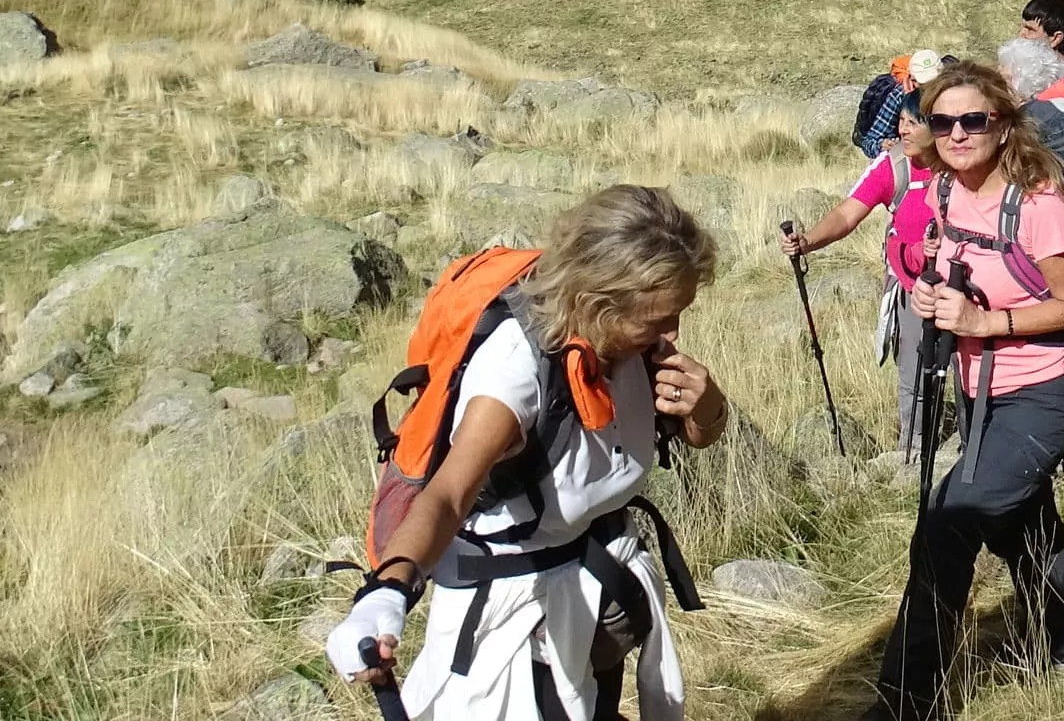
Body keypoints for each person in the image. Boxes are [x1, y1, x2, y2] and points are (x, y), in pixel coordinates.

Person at [332, 186, 728, 721]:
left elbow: (693, 433)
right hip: (516, 624)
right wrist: (388, 590)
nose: (673, 333)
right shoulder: (516, 373)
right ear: (598, 303)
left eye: (679, 311)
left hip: (593, 592)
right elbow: (448, 494)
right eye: (659, 318)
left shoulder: (632, 345)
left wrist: (708, 406)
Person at [876, 61, 1064, 715]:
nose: (958, 132)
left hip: (1045, 392)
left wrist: (983, 321)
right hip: (978, 387)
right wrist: (930, 290)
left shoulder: (1041, 204)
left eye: (974, 119)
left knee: (947, 524)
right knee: (1020, 525)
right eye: (943, 121)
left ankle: (907, 702)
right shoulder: (944, 192)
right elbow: (953, 262)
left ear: (1002, 124)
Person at [783, 112, 940, 447]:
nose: (902, 130)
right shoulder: (894, 166)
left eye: (914, 123)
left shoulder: (963, 160)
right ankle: (914, 454)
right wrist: (807, 241)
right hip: (913, 286)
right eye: (901, 120)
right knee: (915, 376)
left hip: (968, 283)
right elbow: (846, 214)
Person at [1020, 0, 1064, 101]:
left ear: (1056, 38)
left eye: (1030, 29)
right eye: (1023, 27)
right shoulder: (1029, 68)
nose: (1021, 34)